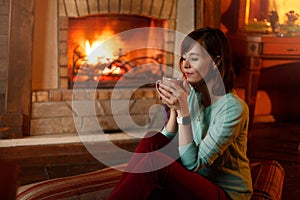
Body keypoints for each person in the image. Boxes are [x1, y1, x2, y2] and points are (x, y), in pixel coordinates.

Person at [107, 27, 253, 200]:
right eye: (184, 58)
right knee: (152, 140)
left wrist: (183, 109)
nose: (185, 65)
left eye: (194, 58)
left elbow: (193, 163)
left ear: (216, 61)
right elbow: (168, 142)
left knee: (156, 163)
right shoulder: (192, 94)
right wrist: (174, 109)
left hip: (224, 193)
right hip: (197, 179)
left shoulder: (233, 109)